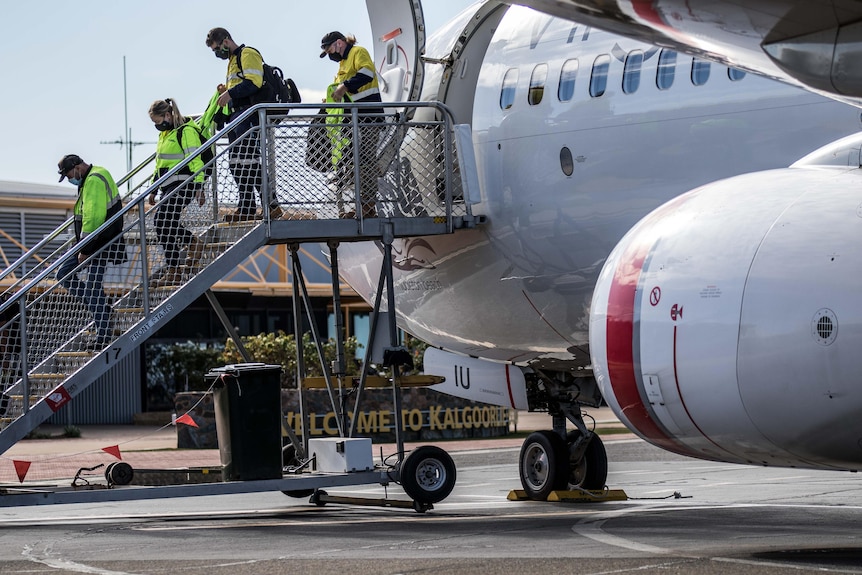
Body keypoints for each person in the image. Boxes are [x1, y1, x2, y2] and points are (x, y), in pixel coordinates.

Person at [205, 27, 283, 222]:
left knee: (249, 163)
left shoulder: (247, 54)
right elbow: (240, 86)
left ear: (226, 41)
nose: (217, 54)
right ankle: (248, 207)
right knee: (237, 165)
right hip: (238, 117)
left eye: (217, 49)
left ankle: (270, 205)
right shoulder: (232, 61)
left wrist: (230, 93)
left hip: (249, 116)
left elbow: (254, 82)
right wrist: (227, 91)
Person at [56, 154, 121, 350]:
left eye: (68, 175)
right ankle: (103, 310)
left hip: (97, 241)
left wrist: (85, 248)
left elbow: (94, 216)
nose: (69, 179)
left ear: (77, 167)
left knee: (93, 288)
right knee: (63, 274)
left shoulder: (93, 179)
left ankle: (103, 336)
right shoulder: (91, 178)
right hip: (89, 240)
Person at [320, 31, 384, 218]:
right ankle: (359, 205)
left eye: (330, 49)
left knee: (365, 161)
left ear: (339, 43)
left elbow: (367, 72)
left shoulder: (358, 52)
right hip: (353, 121)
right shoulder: (342, 63)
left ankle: (368, 205)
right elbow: (339, 90)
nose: (330, 54)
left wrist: (345, 86)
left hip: (369, 116)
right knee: (352, 162)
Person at [147, 98, 206, 286]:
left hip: (184, 184)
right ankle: (174, 269)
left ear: (167, 115)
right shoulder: (165, 134)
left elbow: (195, 158)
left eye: (158, 121)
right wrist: (153, 188)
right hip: (168, 187)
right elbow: (160, 165)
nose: (158, 126)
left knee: (161, 221)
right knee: (164, 224)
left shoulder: (186, 131)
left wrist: (199, 186)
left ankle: (191, 245)